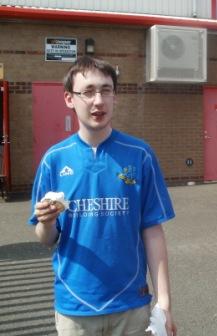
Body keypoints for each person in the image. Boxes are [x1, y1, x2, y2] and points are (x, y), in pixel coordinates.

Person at [29, 56, 176, 336]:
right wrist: (46, 222)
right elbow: (47, 239)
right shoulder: (54, 160)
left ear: (115, 97)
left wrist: (164, 302)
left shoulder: (140, 155)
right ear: (69, 99)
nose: (98, 101)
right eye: (88, 91)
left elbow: (153, 230)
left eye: (106, 90)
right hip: (75, 307)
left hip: (131, 304)